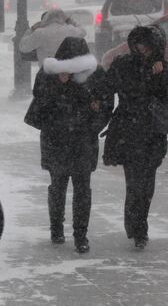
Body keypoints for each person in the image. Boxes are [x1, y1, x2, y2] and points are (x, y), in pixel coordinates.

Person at [27, 37, 113, 253]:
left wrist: (93, 125)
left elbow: (105, 104)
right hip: (58, 138)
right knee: (60, 186)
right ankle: (57, 229)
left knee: (80, 188)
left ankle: (80, 234)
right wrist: (58, 83)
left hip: (81, 139)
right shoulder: (49, 74)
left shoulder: (95, 74)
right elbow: (41, 100)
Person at [102, 25, 168, 249]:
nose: (142, 48)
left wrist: (160, 75)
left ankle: (138, 222)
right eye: (139, 44)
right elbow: (106, 88)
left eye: (146, 44)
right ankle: (138, 227)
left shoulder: (163, 68)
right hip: (128, 131)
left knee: (147, 185)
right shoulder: (123, 64)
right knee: (134, 182)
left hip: (152, 132)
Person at [19, 9, 86, 68]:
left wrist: (32, 29)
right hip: (65, 73)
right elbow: (83, 32)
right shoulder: (70, 30)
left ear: (44, 20)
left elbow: (23, 47)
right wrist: (70, 21)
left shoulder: (40, 33)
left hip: (46, 72)